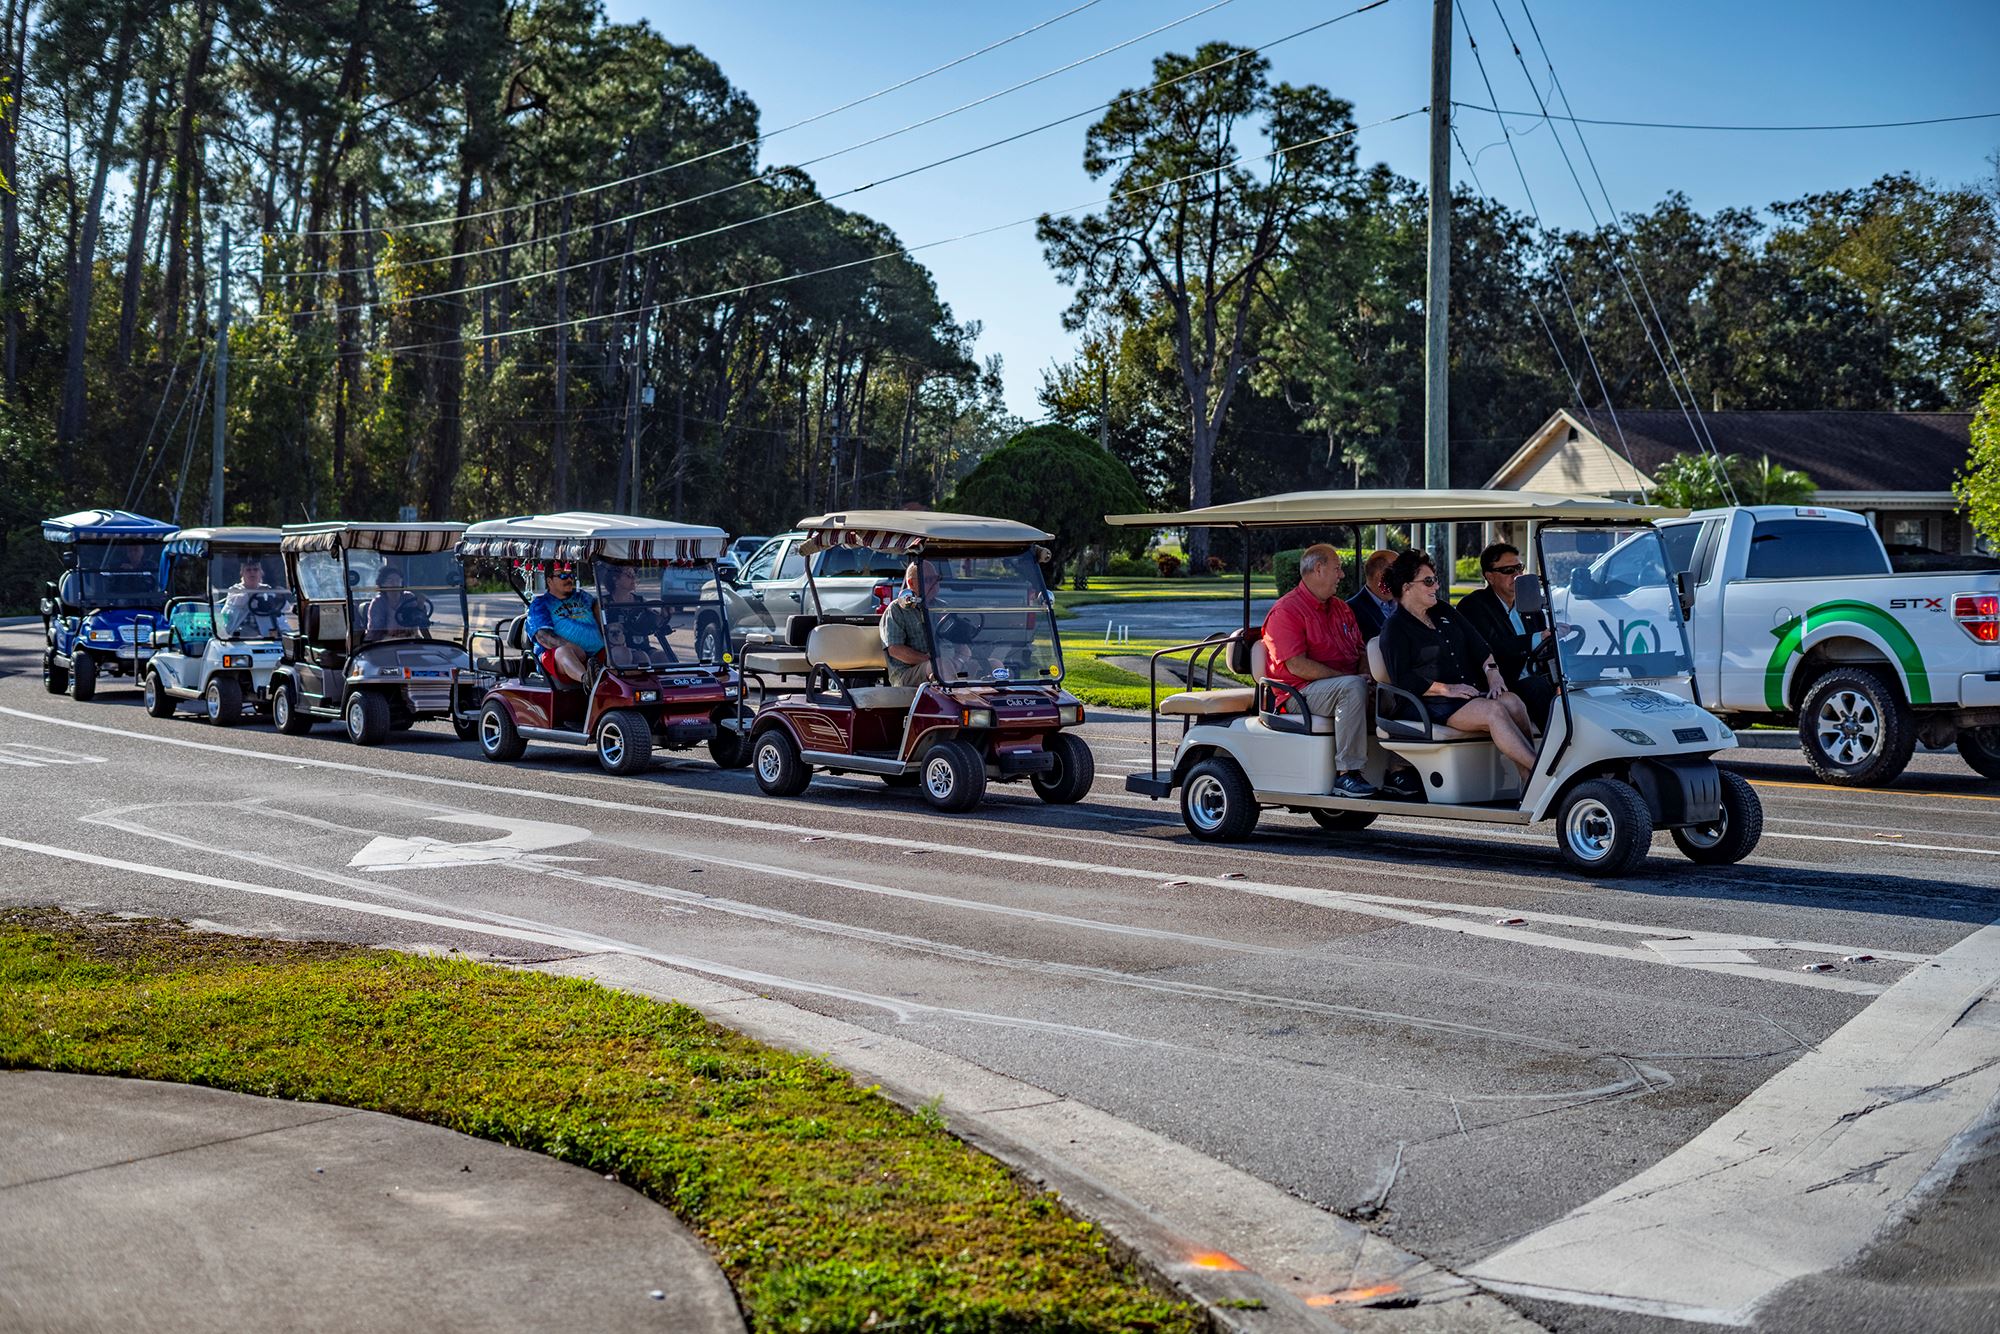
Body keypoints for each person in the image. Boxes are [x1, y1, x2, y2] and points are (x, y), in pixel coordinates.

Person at [1378, 550, 1538, 785]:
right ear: (1407, 587)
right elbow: (1404, 679)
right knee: (1493, 711)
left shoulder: (1443, 610)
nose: (1436, 586)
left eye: (1435, 580)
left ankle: (1528, 778)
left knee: (1513, 702)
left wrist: (1493, 673)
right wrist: (1447, 689)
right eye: (1428, 581)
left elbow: (1480, 646)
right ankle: (1542, 772)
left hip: (1466, 694)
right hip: (1429, 702)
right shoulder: (1395, 628)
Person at [1261, 544, 1376, 799]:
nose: (1342, 575)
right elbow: (1296, 665)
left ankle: (1399, 771)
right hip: (1297, 693)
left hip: (1343, 686)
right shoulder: (1287, 610)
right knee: (1352, 688)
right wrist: (1351, 679)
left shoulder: (1341, 608)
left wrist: (1366, 676)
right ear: (1319, 569)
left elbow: (1361, 650)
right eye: (1337, 569)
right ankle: (1347, 773)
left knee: (1393, 693)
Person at [1456, 541, 1555, 730]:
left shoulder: (1529, 604)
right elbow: (1494, 647)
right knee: (1538, 687)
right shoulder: (1474, 606)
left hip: (1537, 677)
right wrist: (1537, 638)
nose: (1516, 575)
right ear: (1490, 577)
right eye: (1508, 570)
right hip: (1501, 683)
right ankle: (1559, 744)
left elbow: (1544, 645)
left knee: (1571, 687)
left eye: (1519, 568)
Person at [524, 565, 604, 686]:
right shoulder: (540, 605)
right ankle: (588, 680)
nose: (569, 579)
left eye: (571, 575)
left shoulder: (582, 597)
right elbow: (543, 636)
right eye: (562, 576)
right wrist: (569, 645)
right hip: (558, 659)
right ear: (549, 581)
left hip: (596, 655)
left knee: (621, 650)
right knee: (563, 652)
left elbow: (601, 610)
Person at [881, 560, 942, 686]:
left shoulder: (942, 607)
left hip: (942, 664)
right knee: (939, 667)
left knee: (983, 665)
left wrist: (962, 656)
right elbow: (895, 650)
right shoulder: (897, 609)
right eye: (928, 580)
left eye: (936, 579)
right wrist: (932, 660)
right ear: (911, 583)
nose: (934, 584)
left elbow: (958, 642)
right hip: (906, 674)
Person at [600, 563, 674, 664]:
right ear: (615, 579)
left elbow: (653, 622)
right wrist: (611, 627)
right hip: (617, 647)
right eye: (629, 575)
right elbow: (597, 628)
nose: (633, 578)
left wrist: (665, 614)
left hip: (642, 646)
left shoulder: (640, 601)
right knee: (640, 657)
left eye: (634, 574)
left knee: (663, 657)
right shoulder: (605, 602)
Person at [218, 554, 284, 638]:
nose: (252, 573)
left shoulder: (267, 589)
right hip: (240, 634)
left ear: (261, 573)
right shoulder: (235, 590)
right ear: (242, 573)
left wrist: (279, 595)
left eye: (255, 569)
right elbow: (238, 600)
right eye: (248, 570)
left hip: (265, 635)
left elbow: (283, 608)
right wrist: (254, 593)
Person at [363, 565, 429, 642]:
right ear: (382, 584)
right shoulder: (378, 603)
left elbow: (418, 620)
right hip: (385, 641)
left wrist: (420, 606)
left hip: (410, 639)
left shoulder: (409, 597)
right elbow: (376, 630)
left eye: (398, 580)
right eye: (391, 581)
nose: (395, 584)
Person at [1346, 548, 1400, 640]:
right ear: (1380, 575)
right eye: (1398, 571)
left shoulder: (1403, 604)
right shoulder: (1351, 611)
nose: (1403, 577)